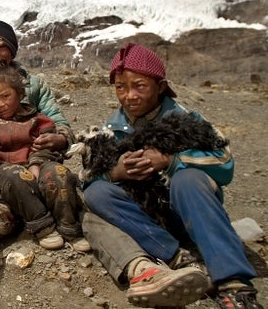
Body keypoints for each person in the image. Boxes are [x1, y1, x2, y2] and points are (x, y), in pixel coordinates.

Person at [81, 42, 262, 308]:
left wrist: (170, 160)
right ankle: (177, 256)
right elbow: (90, 176)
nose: (129, 95)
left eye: (139, 85)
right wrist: (117, 172)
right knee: (96, 192)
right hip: (149, 217)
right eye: (121, 87)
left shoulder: (185, 119)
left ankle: (233, 281)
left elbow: (224, 163)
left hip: (190, 211)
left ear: (161, 86)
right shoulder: (112, 128)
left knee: (188, 179)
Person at [0, 19, 75, 238]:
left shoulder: (34, 84)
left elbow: (58, 119)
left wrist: (61, 138)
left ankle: (47, 208)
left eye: (1, 47)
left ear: (12, 51)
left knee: (56, 178)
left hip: (37, 156)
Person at [0, 64, 89, 251]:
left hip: (39, 162)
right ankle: (43, 226)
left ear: (20, 94)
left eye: (6, 96)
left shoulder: (38, 119)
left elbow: (46, 146)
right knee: (15, 178)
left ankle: (69, 227)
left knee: (60, 173)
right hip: (7, 168)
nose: (0, 104)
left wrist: (36, 163)